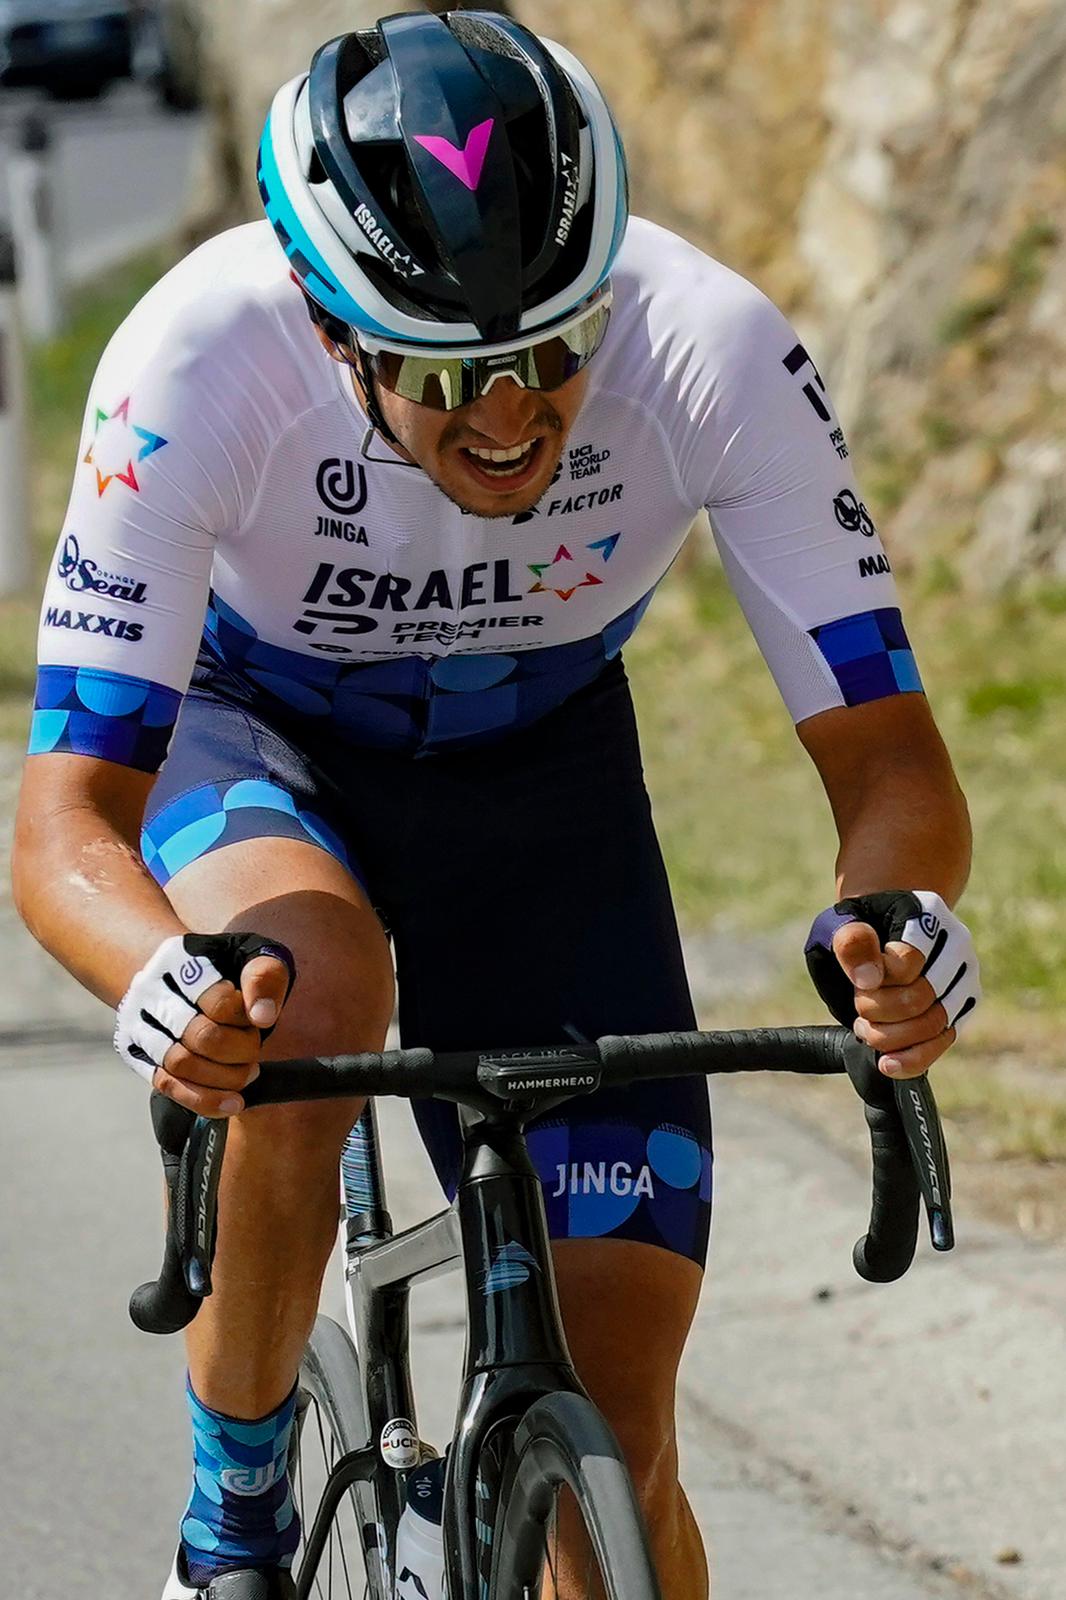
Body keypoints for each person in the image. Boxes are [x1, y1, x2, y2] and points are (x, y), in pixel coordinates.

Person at [12, 10, 981, 1599]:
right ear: (331, 331)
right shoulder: (194, 363)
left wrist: (890, 922)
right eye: (445, 374)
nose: (514, 417)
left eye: (552, 353)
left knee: (622, 1439)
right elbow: (64, 824)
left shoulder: (709, 346)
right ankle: (233, 1510)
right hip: (252, 738)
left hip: (539, 774)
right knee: (306, 994)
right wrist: (162, 984)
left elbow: (890, 763)